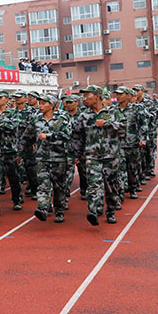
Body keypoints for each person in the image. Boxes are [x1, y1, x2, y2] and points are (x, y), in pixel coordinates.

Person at [72, 85, 123, 226]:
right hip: (92, 156)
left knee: (111, 186)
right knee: (93, 184)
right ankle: (93, 210)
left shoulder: (113, 112)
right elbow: (77, 136)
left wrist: (107, 124)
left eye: (87, 95)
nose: (84, 99)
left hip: (111, 156)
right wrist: (77, 154)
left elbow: (124, 127)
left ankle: (110, 212)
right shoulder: (84, 116)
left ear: (97, 96)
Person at [27, 94, 72, 223]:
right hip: (42, 158)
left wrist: (49, 136)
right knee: (43, 184)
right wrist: (23, 150)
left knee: (59, 187)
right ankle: (42, 208)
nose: (40, 106)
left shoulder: (62, 119)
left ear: (51, 105)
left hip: (59, 158)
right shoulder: (36, 119)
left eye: (43, 103)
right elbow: (27, 136)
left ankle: (59, 211)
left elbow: (67, 135)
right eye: (39, 103)